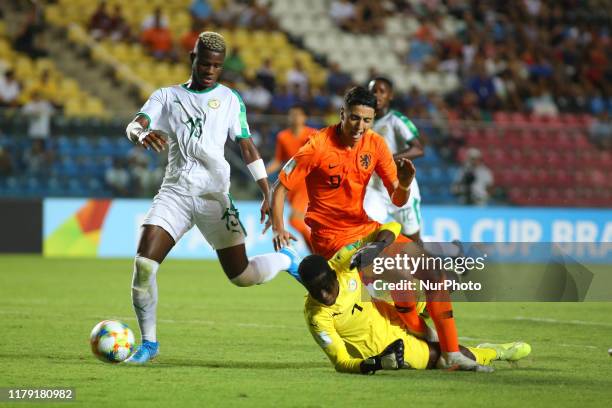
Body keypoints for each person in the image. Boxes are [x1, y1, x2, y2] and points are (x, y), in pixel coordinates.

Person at [123, 31, 299, 364]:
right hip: (174, 194)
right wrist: (142, 133)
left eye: (216, 66)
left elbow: (246, 145)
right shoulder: (167, 96)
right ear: (193, 59)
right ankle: (149, 343)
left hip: (214, 197)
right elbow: (135, 123)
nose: (209, 70)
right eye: (204, 63)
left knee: (242, 276)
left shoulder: (231, 100)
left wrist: (265, 188)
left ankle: (286, 260)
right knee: (144, 265)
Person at [299, 222, 531, 374]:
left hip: (390, 311)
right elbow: (341, 362)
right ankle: (497, 352)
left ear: (332, 273)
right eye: (315, 291)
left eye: (326, 287)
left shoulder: (343, 262)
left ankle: (454, 268)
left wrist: (377, 246)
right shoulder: (317, 317)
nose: (323, 295)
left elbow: (392, 225)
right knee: (444, 357)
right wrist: (377, 362)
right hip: (388, 346)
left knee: (438, 283)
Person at [270, 86, 414, 260]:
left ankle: (317, 269)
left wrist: (405, 185)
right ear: (342, 114)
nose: (360, 126)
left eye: (366, 120)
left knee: (429, 270)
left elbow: (398, 200)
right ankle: (315, 266)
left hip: (363, 228)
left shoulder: (376, 144)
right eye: (354, 118)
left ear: (374, 118)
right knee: (384, 274)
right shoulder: (317, 144)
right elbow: (279, 188)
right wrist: (278, 229)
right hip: (329, 237)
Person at [364, 77, 425, 244]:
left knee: (413, 242)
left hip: (402, 187)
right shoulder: (363, 123)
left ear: (390, 95)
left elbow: (418, 149)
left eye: (381, 91)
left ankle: (451, 254)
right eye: (373, 91)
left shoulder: (395, 120)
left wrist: (386, 160)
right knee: (366, 234)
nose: (377, 95)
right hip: (376, 189)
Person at [266, 105, 317, 251]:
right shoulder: (282, 136)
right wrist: (262, 173)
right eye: (292, 114)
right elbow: (278, 160)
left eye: (298, 114)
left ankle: (318, 251)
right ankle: (316, 253)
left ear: (305, 118)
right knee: (300, 221)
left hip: (307, 182)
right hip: (290, 184)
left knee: (295, 220)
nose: (294, 118)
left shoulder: (312, 135)